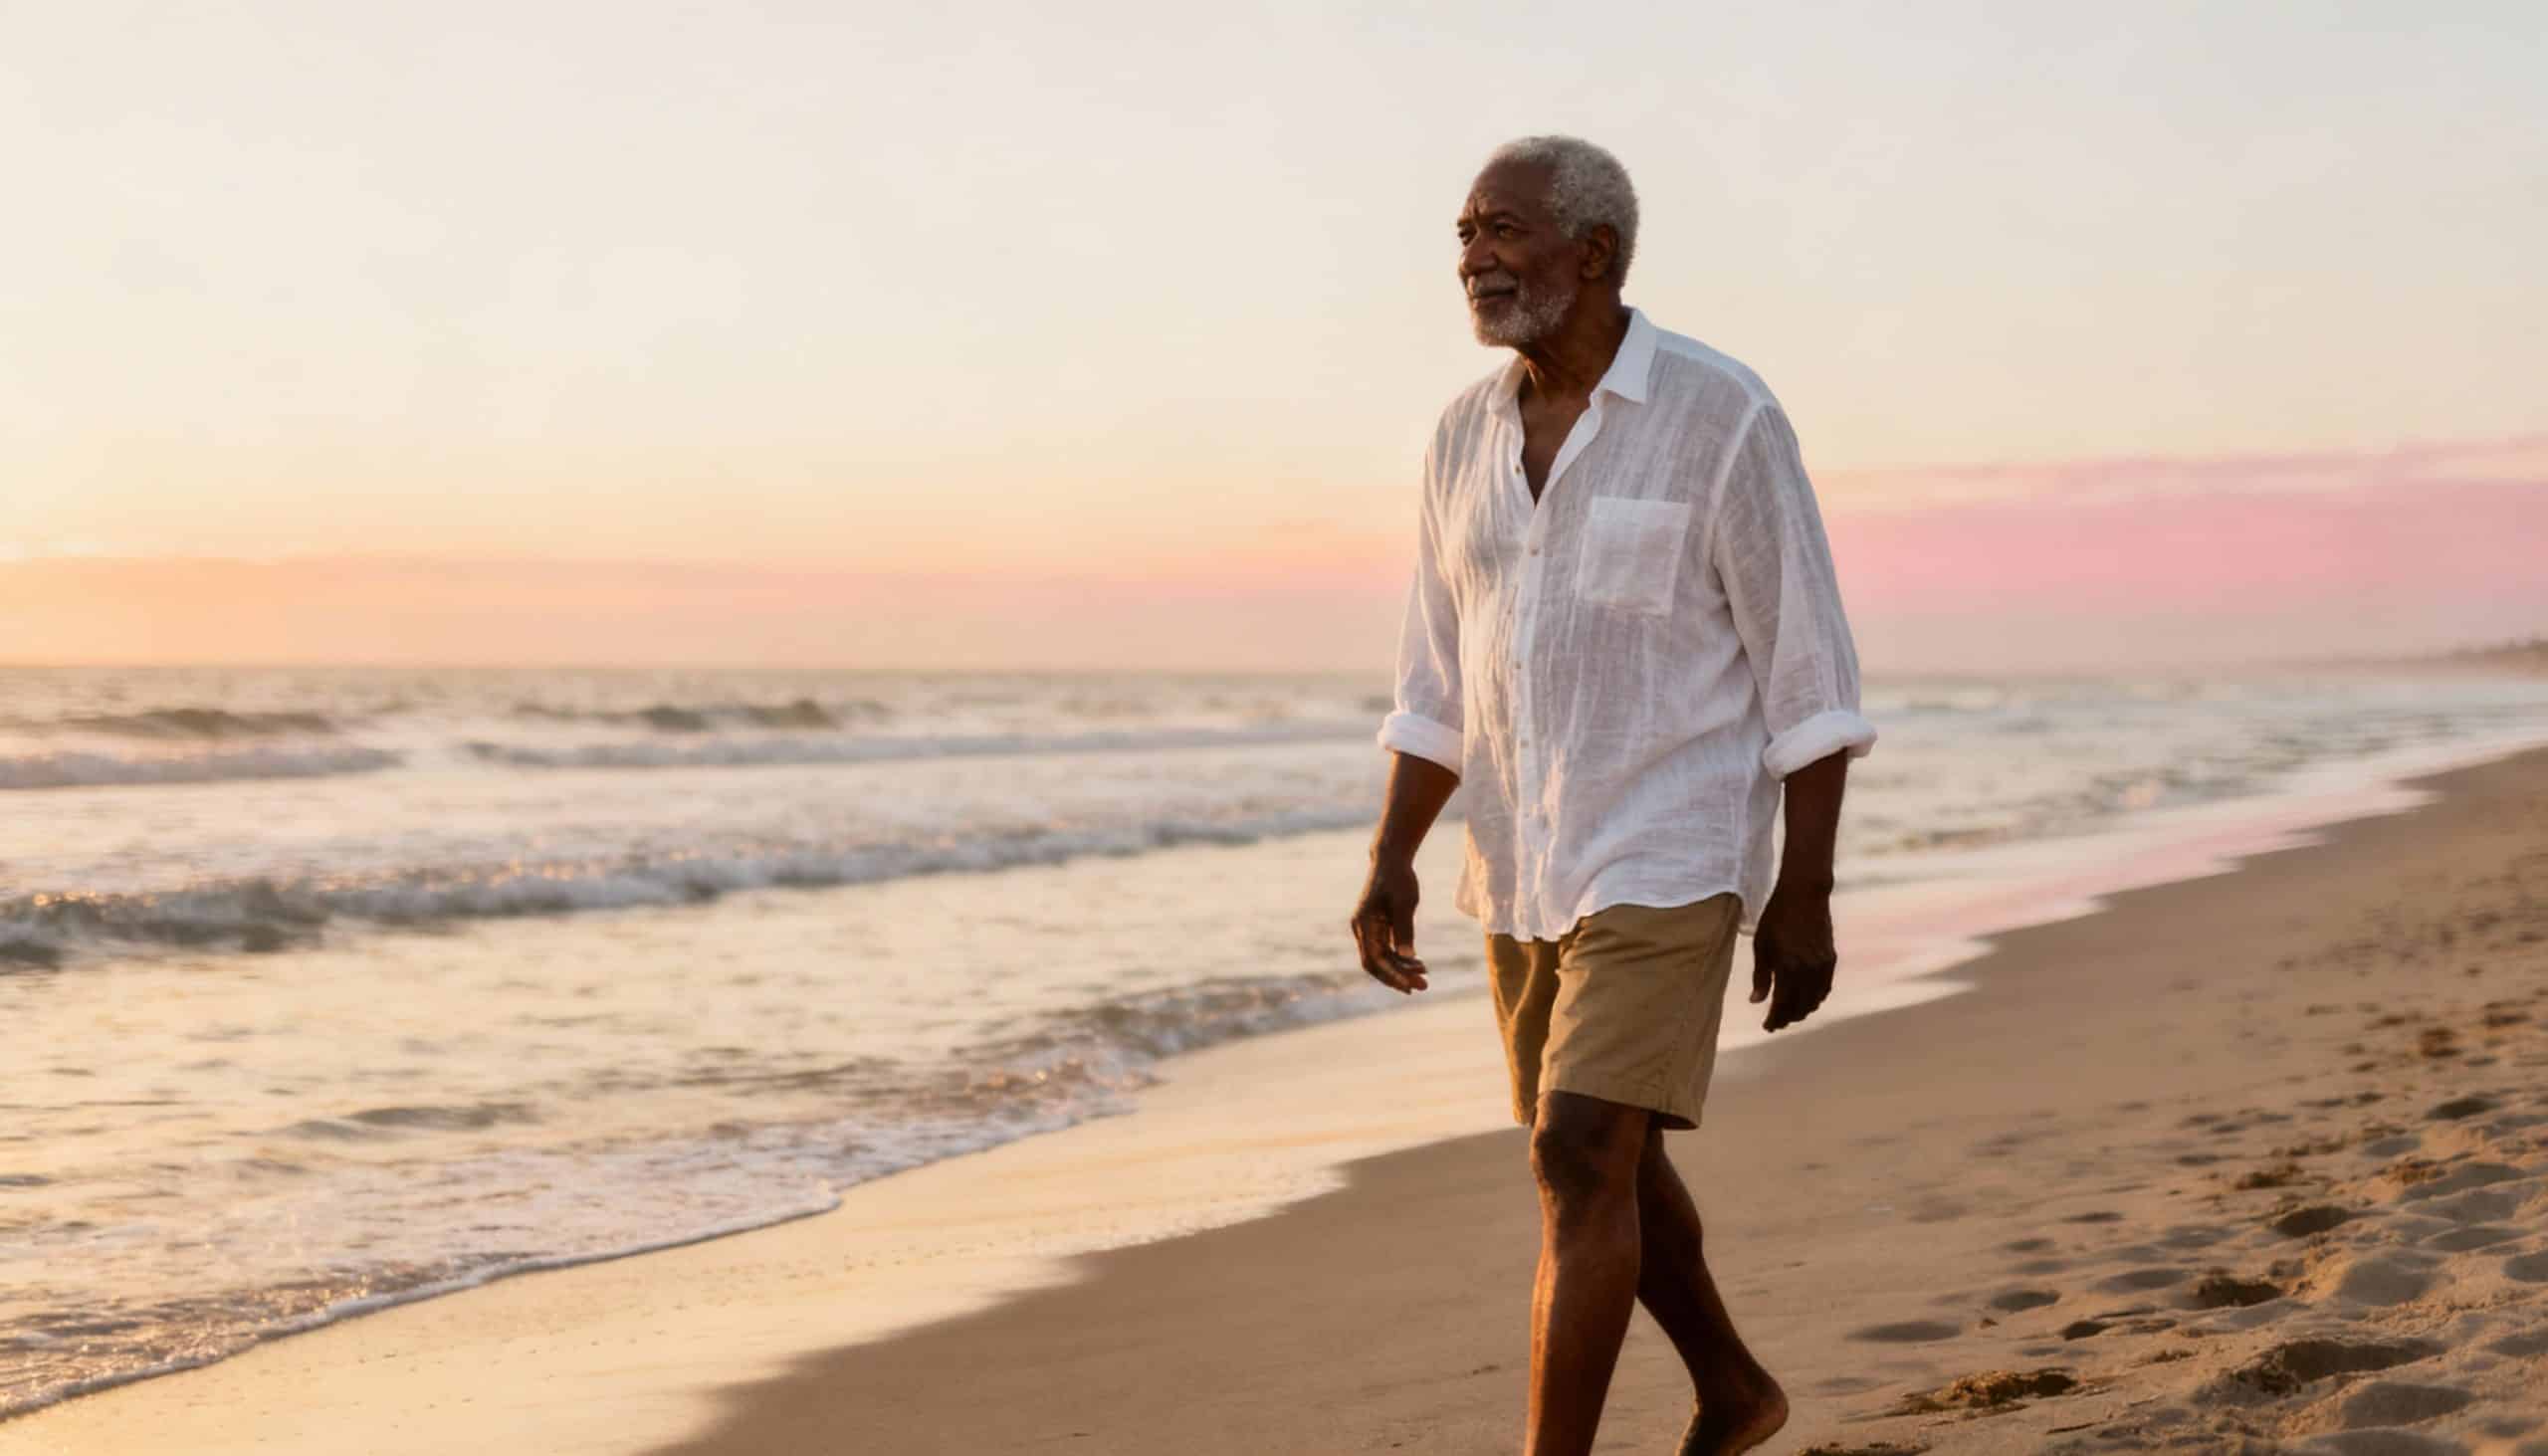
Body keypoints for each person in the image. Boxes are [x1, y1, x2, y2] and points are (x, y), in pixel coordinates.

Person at [1348, 134, 1877, 1456]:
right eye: (1463, 232)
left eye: (1503, 230)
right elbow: (1437, 674)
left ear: (1595, 253)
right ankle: (1735, 1391)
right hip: (1521, 855)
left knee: (1575, 1149)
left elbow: (1811, 673)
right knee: (1609, 1156)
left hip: (1672, 839)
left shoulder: (1723, 416)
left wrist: (1800, 894)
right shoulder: (1459, 439)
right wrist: (1393, 855)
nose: (1473, 256)